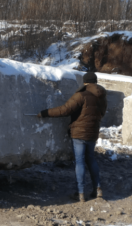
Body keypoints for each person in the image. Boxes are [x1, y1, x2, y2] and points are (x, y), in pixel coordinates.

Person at [37, 72, 107, 202]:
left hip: (79, 133)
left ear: (85, 82)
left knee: (80, 161)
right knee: (91, 159)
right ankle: (98, 189)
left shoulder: (81, 95)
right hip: (93, 133)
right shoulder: (102, 97)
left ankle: (80, 193)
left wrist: (45, 113)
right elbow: (101, 113)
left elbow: (65, 110)